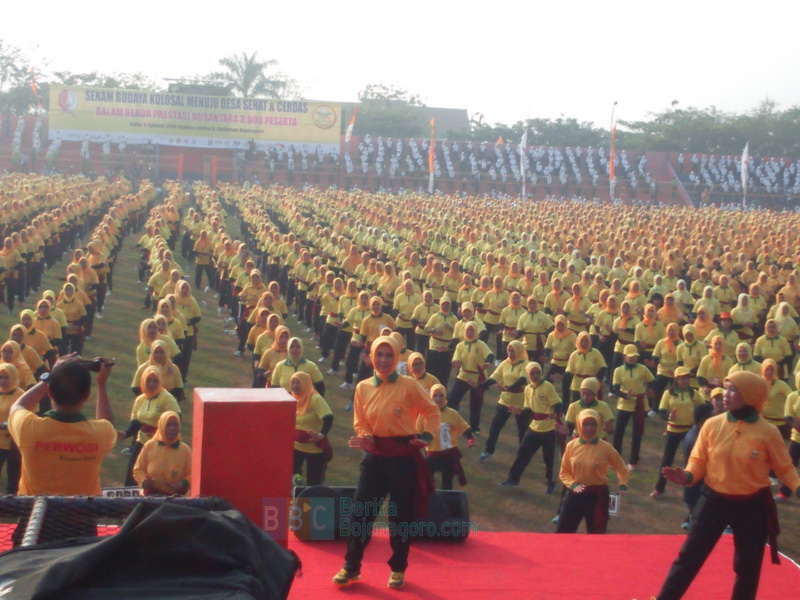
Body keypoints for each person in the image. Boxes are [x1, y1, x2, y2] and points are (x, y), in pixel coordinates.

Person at [656, 371, 800, 600]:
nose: (726, 394)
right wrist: (686, 476)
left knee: (747, 567)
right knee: (688, 558)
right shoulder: (712, 425)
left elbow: (785, 468)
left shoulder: (768, 432)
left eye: (733, 389)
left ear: (751, 395)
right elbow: (698, 461)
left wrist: (796, 485)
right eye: (726, 388)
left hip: (752, 506)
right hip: (713, 501)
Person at [334, 335, 439, 589]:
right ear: (372, 357)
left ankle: (399, 567)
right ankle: (351, 566)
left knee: (401, 516)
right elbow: (360, 421)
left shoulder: (409, 385)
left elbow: (431, 410)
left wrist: (426, 435)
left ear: (395, 357)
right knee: (361, 513)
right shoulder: (362, 387)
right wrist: (366, 436)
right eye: (379, 355)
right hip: (375, 457)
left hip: (403, 457)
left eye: (388, 355)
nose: (383, 360)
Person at [8, 355, 116, 495]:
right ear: (88, 395)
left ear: (50, 393)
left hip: (35, 513)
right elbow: (107, 423)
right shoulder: (100, 433)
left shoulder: (28, 428)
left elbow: (17, 406)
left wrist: (49, 378)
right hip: (79, 514)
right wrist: (101, 385)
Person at [556, 408, 629, 534]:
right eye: (586, 424)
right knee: (564, 531)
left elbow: (621, 467)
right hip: (575, 494)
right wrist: (573, 485)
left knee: (597, 535)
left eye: (593, 424)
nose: (589, 428)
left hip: (597, 496)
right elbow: (564, 472)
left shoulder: (606, 448)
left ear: (599, 425)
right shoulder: (571, 446)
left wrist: (623, 483)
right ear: (579, 425)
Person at [501, 361, 562, 491]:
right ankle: (512, 479)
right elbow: (528, 409)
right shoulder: (528, 389)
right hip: (534, 427)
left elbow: (557, 403)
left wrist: (556, 415)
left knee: (549, 458)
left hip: (549, 429)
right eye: (532, 373)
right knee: (522, 453)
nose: (535, 375)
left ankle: (550, 483)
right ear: (528, 375)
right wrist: (520, 411)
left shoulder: (547, 387)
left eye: (537, 373)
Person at [121, 366, 181, 486]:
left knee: (156, 480)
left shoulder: (167, 398)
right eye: (148, 380)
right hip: (142, 442)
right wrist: (125, 433)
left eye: (155, 381)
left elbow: (176, 418)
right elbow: (135, 422)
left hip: (161, 445)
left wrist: (160, 431)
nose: (152, 384)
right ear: (143, 381)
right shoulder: (140, 400)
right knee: (132, 478)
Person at [651, 366, 704, 498]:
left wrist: (698, 422)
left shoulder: (693, 393)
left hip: (689, 431)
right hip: (673, 430)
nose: (685, 381)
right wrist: (669, 415)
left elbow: (703, 408)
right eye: (682, 378)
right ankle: (659, 488)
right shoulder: (668, 393)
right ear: (676, 379)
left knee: (691, 461)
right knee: (667, 460)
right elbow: (662, 411)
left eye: (687, 378)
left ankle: (690, 491)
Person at [479, 340, 531, 461]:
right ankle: (488, 450)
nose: (510, 352)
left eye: (512, 350)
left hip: (520, 402)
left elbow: (522, 380)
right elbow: (494, 376)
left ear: (518, 351)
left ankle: (523, 454)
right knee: (495, 427)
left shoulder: (525, 364)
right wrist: (482, 385)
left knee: (522, 429)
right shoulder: (505, 363)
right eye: (508, 350)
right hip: (505, 401)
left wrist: (508, 388)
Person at [611, 344, 655, 469]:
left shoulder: (643, 369)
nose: (632, 359)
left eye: (634, 357)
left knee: (637, 433)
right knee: (619, 432)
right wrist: (625, 395)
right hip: (624, 405)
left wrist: (649, 389)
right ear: (624, 357)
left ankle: (633, 460)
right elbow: (614, 389)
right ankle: (615, 458)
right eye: (630, 357)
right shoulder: (618, 370)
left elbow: (652, 381)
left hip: (639, 404)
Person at [422, 383, 473, 490]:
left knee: (447, 482)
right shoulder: (424, 414)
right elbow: (416, 430)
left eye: (441, 396)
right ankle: (430, 502)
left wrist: (470, 437)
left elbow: (463, 426)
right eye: (435, 396)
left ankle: (447, 503)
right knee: (427, 481)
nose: (438, 399)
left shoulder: (452, 414)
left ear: (445, 397)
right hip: (432, 453)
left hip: (448, 455)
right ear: (430, 397)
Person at [132, 410, 191, 496]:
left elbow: (192, 474)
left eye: (175, 425)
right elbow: (138, 469)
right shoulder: (150, 445)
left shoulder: (185, 450)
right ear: (161, 426)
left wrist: (183, 483)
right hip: (150, 497)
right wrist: (144, 481)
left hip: (176, 499)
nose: (172, 428)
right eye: (168, 425)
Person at [291, 372, 333, 486]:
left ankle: (313, 502)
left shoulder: (315, 398)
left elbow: (328, 417)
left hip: (315, 450)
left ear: (306, 383)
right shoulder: (292, 398)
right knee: (294, 476)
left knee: (314, 482)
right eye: (293, 382)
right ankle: (298, 498)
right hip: (296, 447)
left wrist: (321, 434)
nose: (295, 386)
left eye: (298, 382)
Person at [0, 363, 23, 493]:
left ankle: (13, 504)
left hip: (14, 442)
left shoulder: (20, 395)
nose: (2, 381)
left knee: (14, 475)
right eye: (0, 377)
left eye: (6, 377)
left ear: (13, 377)